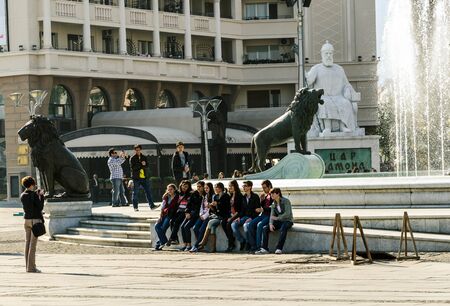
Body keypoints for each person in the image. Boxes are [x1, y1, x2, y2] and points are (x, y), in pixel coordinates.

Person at [307, 40, 358, 135]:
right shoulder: (316, 68)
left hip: (338, 96)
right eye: (326, 53)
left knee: (346, 103)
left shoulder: (339, 69)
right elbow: (308, 81)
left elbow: (347, 84)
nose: (328, 55)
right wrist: (307, 76)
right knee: (324, 103)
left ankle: (343, 126)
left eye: (330, 53)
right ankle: (327, 128)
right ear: (322, 54)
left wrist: (347, 90)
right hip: (323, 97)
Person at [256, 188, 294, 255]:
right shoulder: (273, 204)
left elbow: (287, 213)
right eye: (271, 194)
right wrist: (270, 224)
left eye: (273, 194)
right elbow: (272, 215)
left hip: (288, 220)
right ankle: (264, 248)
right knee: (265, 228)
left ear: (278, 194)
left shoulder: (286, 201)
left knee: (283, 228)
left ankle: (279, 248)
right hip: (279, 221)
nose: (271, 195)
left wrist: (278, 218)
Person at [20, 176, 44, 273]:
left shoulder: (22, 195)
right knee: (32, 245)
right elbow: (40, 207)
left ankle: (27, 266)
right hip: (35, 221)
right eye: (33, 184)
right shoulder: (34, 195)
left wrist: (36, 195)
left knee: (27, 244)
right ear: (31, 184)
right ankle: (31, 268)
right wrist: (41, 196)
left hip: (26, 221)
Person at [198, 182, 231, 252]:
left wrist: (217, 204)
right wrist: (211, 206)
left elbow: (226, 207)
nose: (215, 189)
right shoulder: (215, 196)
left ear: (221, 188)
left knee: (210, 222)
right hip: (217, 216)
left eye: (217, 187)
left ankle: (203, 242)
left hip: (224, 216)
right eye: (215, 187)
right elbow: (215, 210)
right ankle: (213, 248)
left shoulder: (226, 196)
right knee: (212, 227)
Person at [232, 180, 261, 251]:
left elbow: (257, 210)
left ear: (250, 187)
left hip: (253, 217)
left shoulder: (255, 196)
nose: (243, 187)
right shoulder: (243, 197)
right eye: (243, 186)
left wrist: (251, 218)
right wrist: (239, 217)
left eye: (245, 186)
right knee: (233, 224)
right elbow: (242, 210)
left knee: (246, 226)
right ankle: (242, 241)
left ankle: (251, 245)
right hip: (244, 217)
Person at [246, 180, 273, 252]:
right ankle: (253, 246)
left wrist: (262, 209)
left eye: (265, 188)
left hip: (269, 216)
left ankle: (259, 247)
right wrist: (261, 200)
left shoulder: (273, 194)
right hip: (263, 215)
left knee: (260, 225)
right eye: (263, 188)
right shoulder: (265, 195)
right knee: (250, 224)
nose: (263, 189)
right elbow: (261, 206)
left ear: (269, 186)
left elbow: (273, 207)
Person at [130, 144, 159, 211]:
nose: (138, 151)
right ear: (135, 150)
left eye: (139, 150)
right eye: (136, 150)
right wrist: (141, 164)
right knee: (135, 192)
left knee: (148, 192)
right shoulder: (132, 158)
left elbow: (147, 166)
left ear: (140, 150)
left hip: (144, 177)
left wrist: (144, 165)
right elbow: (133, 168)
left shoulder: (144, 157)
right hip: (136, 178)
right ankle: (135, 207)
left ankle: (152, 206)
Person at [179, 181, 204, 251]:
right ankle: (185, 244)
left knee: (186, 227)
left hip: (197, 215)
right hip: (190, 213)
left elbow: (200, 207)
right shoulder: (194, 194)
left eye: (200, 186)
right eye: (197, 186)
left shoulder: (204, 195)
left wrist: (191, 214)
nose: (198, 188)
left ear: (203, 187)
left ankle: (189, 245)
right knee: (182, 226)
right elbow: (188, 204)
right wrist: (187, 212)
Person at [166, 180, 192, 246]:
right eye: (183, 186)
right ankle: (175, 239)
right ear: (181, 186)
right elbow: (170, 193)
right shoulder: (179, 193)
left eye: (186, 186)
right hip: (179, 211)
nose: (184, 188)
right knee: (171, 221)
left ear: (188, 187)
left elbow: (190, 204)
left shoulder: (190, 194)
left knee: (177, 221)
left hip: (185, 211)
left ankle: (171, 238)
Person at [190, 182, 213, 252]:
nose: (206, 189)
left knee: (201, 230)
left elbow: (210, 210)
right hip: (202, 215)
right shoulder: (204, 196)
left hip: (209, 216)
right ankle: (200, 244)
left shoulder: (212, 196)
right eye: (205, 188)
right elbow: (201, 207)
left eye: (207, 188)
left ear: (210, 188)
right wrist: (200, 214)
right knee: (195, 228)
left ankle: (196, 245)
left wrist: (205, 216)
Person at [154, 184, 179, 250]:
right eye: (168, 189)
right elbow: (162, 206)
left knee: (163, 228)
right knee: (156, 226)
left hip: (171, 215)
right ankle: (163, 241)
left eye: (171, 189)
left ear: (174, 189)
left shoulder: (177, 196)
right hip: (164, 214)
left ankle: (158, 244)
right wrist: (160, 216)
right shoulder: (166, 196)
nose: (169, 191)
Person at [223, 180, 244, 252]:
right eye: (229, 186)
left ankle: (231, 244)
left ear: (235, 186)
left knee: (229, 224)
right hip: (232, 214)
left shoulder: (239, 196)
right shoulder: (231, 195)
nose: (230, 187)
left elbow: (240, 210)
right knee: (223, 223)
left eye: (231, 186)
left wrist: (232, 217)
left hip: (238, 214)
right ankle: (231, 238)